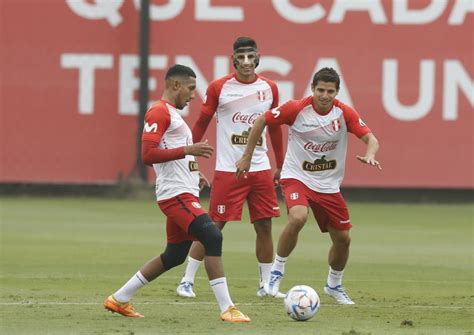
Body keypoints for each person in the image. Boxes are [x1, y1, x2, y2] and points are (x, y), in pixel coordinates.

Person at [104, 64, 250, 322]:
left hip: (184, 192)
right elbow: (147, 155)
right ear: (175, 86)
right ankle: (227, 308)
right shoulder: (159, 112)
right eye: (191, 88)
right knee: (212, 236)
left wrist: (194, 172)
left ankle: (119, 299)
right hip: (175, 196)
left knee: (174, 255)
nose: (194, 95)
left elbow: (172, 151)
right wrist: (188, 151)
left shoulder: (171, 114)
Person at [236, 67, 381, 305]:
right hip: (297, 177)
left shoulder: (344, 113)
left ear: (337, 92)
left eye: (330, 91)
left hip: (328, 185)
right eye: (321, 90)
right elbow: (262, 120)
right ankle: (275, 274)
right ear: (313, 89)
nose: (325, 95)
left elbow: (371, 139)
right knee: (298, 217)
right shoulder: (296, 108)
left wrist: (370, 154)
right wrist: (247, 156)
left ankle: (334, 285)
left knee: (343, 239)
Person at [176, 37, 286, 299]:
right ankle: (186, 280)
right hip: (228, 169)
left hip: (260, 168)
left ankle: (266, 286)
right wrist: (189, 155)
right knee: (214, 226)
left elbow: (275, 128)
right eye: (241, 56)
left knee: (264, 226)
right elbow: (201, 122)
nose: (246, 62)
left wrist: (280, 164)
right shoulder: (219, 87)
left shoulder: (270, 88)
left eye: (251, 56)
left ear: (258, 58)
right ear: (233, 59)